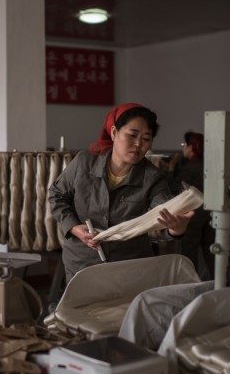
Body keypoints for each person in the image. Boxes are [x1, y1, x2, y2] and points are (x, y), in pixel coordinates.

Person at [48, 103, 194, 283]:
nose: (138, 144)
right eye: (132, 135)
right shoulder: (83, 163)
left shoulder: (153, 178)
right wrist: (74, 227)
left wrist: (176, 229)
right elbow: (57, 195)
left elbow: (160, 216)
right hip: (82, 264)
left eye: (146, 138)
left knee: (126, 311)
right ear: (114, 132)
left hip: (129, 268)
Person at [172, 131, 215, 278]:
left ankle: (190, 287)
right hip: (211, 213)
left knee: (188, 255)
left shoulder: (189, 168)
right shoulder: (209, 165)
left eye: (184, 145)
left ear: (191, 147)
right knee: (214, 254)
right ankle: (223, 286)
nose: (183, 148)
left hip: (192, 216)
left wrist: (171, 168)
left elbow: (176, 189)